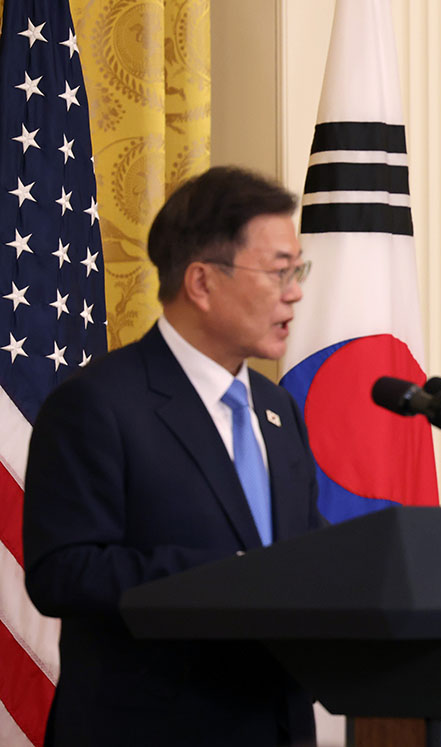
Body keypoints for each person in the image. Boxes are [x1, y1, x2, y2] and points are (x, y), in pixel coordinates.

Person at [23, 166, 326, 746]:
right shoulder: (97, 404)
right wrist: (233, 577)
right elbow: (63, 573)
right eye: (279, 272)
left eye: (299, 271)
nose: (295, 292)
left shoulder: (277, 409)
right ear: (202, 283)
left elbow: (303, 553)